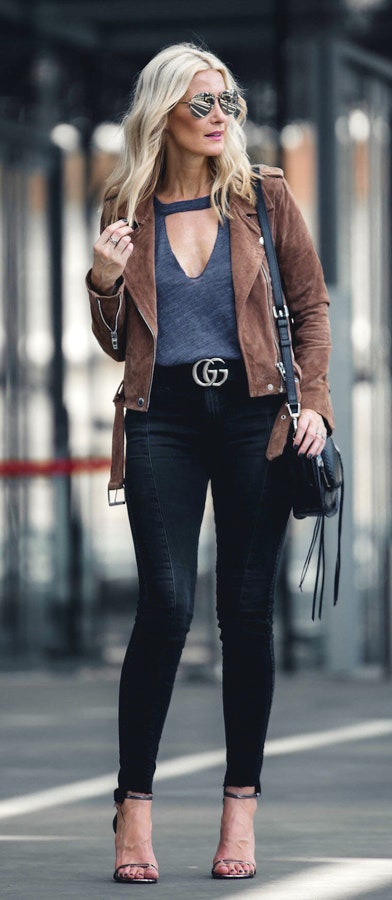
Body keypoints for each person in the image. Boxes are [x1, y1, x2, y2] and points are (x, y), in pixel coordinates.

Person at [86, 42, 334, 884]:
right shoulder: (131, 202)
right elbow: (118, 341)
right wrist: (102, 279)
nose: (221, 111)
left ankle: (240, 812)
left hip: (257, 419)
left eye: (226, 96)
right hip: (165, 417)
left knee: (244, 613)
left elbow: (310, 308)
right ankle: (134, 808)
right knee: (165, 602)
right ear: (164, 114)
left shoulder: (264, 196)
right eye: (202, 101)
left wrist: (320, 409)